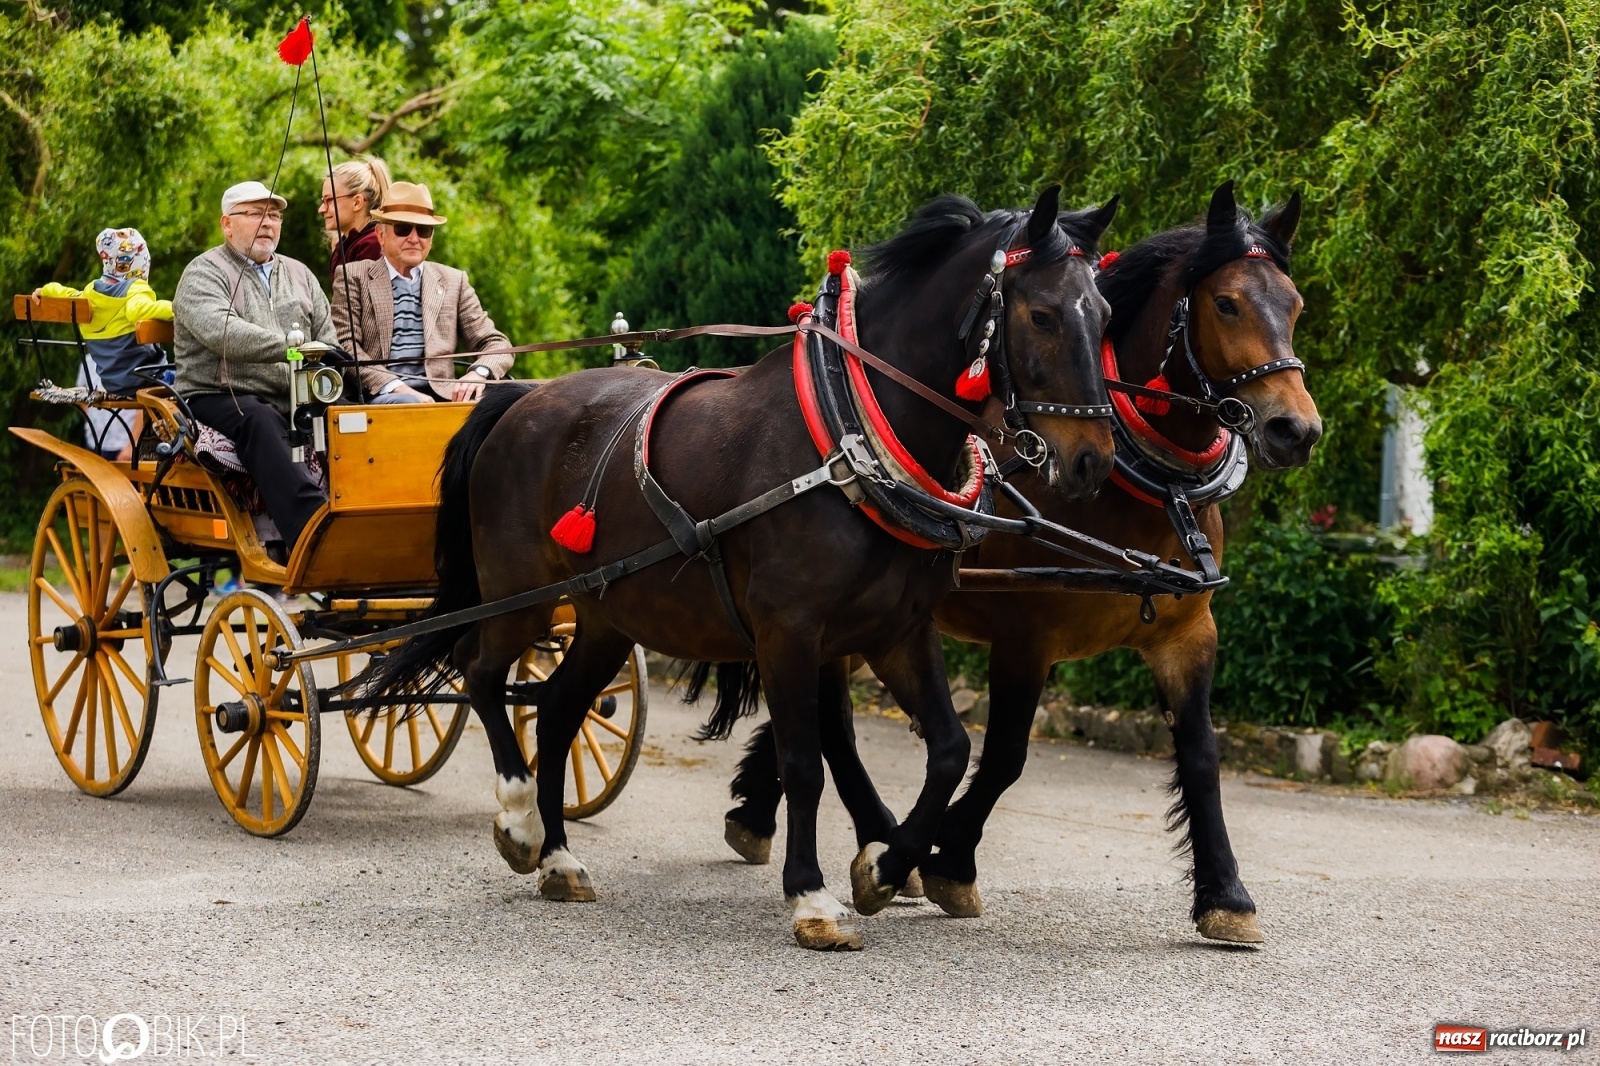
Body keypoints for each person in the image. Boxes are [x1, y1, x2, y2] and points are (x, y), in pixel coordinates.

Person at [173, 180, 338, 554]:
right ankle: (314, 538)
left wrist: (331, 362)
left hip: (293, 394)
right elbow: (224, 332)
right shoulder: (203, 272)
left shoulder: (299, 274)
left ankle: (371, 521)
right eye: (256, 213)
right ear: (227, 224)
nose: (268, 223)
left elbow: (328, 339)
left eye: (275, 215)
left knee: (354, 417)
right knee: (259, 419)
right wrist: (292, 348)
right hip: (216, 394)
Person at [331, 182, 512, 404]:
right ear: (381, 234)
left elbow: (496, 342)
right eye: (403, 228)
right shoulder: (353, 276)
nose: (414, 238)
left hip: (446, 396)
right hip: (382, 396)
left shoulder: (454, 281)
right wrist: (398, 388)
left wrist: (479, 373)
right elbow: (345, 346)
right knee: (408, 404)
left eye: (424, 230)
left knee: (512, 404)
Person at [32, 227, 173, 461]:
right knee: (189, 382)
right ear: (141, 264)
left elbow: (66, 294)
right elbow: (141, 309)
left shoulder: (91, 294)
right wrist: (183, 309)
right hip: (149, 378)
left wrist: (46, 290)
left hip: (114, 383)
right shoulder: (135, 289)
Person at [320, 156, 391, 272]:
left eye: (329, 200)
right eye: (323, 201)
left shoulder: (373, 244)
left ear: (357, 202)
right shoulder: (346, 245)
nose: (322, 209)